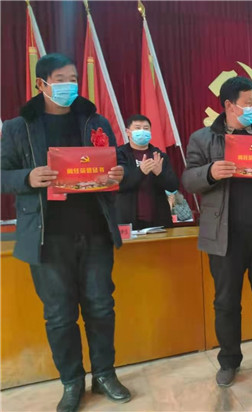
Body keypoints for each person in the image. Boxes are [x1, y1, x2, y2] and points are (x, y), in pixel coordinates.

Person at [0, 53, 130, 412]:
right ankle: (72, 382)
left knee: (101, 307)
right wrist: (28, 177)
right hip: (48, 237)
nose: (69, 85)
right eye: (60, 79)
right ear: (41, 84)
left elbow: (118, 162)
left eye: (73, 78)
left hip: (95, 232)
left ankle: (104, 374)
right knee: (59, 315)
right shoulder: (19, 127)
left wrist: (119, 172)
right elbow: (2, 175)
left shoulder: (94, 120)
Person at [182, 76, 252, 387]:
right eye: (247, 103)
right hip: (225, 236)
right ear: (229, 105)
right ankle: (229, 361)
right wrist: (209, 172)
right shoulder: (203, 138)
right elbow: (188, 180)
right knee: (226, 303)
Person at [115, 114, 179, 230]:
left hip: (158, 220)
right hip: (128, 219)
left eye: (146, 128)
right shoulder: (119, 154)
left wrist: (160, 174)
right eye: (137, 128)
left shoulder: (159, 155)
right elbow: (118, 186)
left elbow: (173, 186)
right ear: (128, 132)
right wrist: (140, 171)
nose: (142, 131)